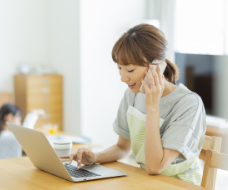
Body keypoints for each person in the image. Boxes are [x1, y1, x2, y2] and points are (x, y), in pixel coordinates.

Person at [61, 24, 206, 185]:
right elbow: (123, 147)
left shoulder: (188, 103)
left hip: (178, 184)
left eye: (130, 70)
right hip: (146, 182)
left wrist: (152, 107)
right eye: (120, 68)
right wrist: (95, 157)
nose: (123, 77)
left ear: (157, 67)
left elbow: (155, 166)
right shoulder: (133, 95)